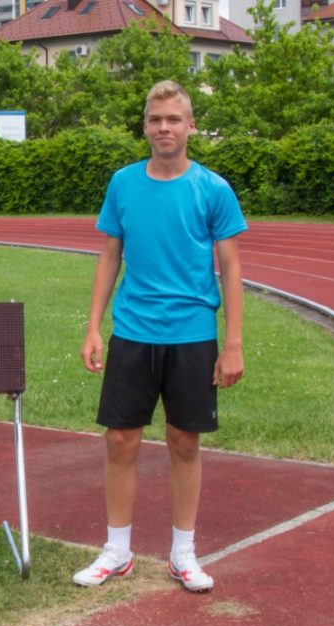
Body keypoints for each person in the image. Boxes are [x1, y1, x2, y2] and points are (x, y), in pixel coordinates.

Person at [72, 80, 246, 594]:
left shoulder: (213, 189)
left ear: (190, 126)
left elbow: (232, 268)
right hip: (133, 329)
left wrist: (232, 342)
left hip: (192, 333)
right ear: (144, 126)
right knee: (120, 440)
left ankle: (183, 554)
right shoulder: (123, 183)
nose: (164, 128)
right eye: (155, 119)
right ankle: (117, 551)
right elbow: (109, 256)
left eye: (173, 119)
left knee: (183, 441)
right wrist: (93, 327)